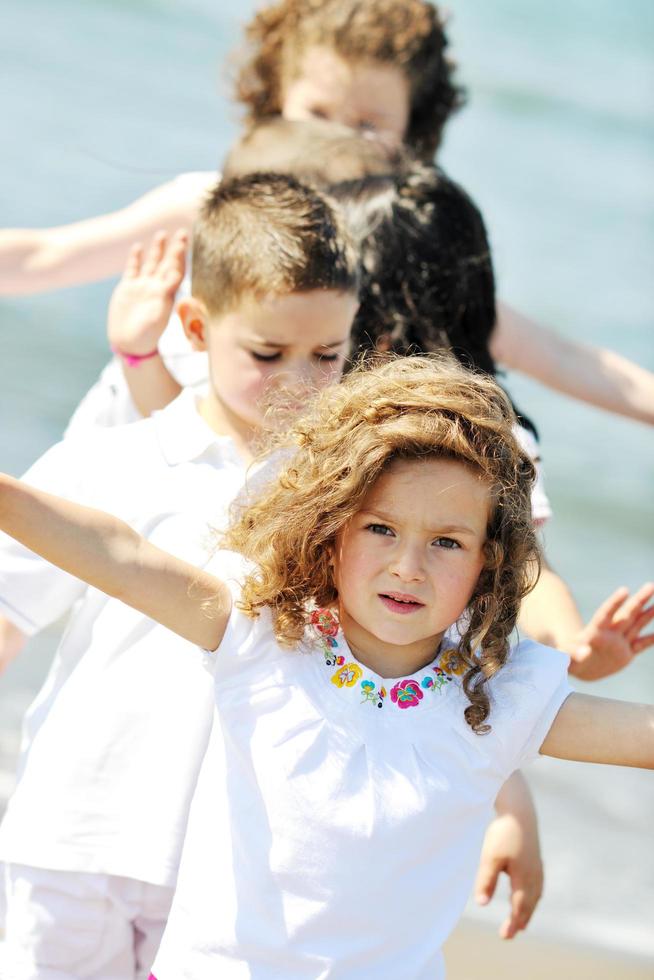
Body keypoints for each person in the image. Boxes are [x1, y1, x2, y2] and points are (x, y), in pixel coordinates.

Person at [0, 355, 651, 980]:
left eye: (447, 542)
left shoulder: (499, 694)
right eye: (380, 529)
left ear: (490, 563)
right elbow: (119, 552)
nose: (408, 566)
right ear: (332, 528)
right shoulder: (257, 633)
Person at [0, 171, 360, 979]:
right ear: (196, 327)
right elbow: (9, 604)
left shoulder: (338, 501)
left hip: (226, 868)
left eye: (328, 355)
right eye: (267, 353)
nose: (300, 380)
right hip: (74, 829)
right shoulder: (118, 456)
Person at [1, 0, 653, 426]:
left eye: (369, 124)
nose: (336, 137)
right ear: (273, 93)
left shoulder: (393, 252)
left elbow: (564, 356)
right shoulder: (207, 204)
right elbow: (43, 257)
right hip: (126, 438)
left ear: (414, 133)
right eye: (316, 113)